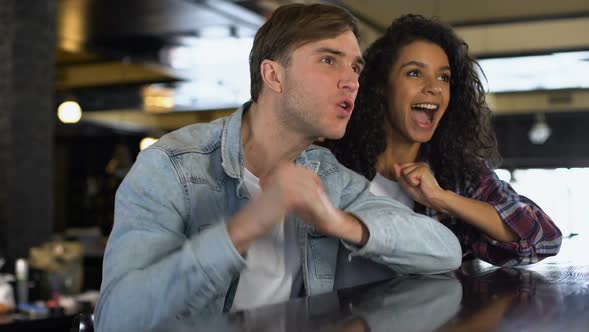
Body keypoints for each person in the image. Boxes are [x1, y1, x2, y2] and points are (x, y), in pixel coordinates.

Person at [94, 5, 462, 331]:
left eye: (354, 67)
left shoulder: (326, 174)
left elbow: (445, 250)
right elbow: (116, 321)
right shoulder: (171, 166)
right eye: (328, 60)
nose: (351, 81)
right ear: (273, 76)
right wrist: (246, 227)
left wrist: (336, 222)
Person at [325, 14, 562, 267]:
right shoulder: (333, 162)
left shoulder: (458, 173)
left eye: (444, 77)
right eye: (415, 73)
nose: (434, 87)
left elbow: (543, 239)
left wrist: (442, 198)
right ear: (381, 86)